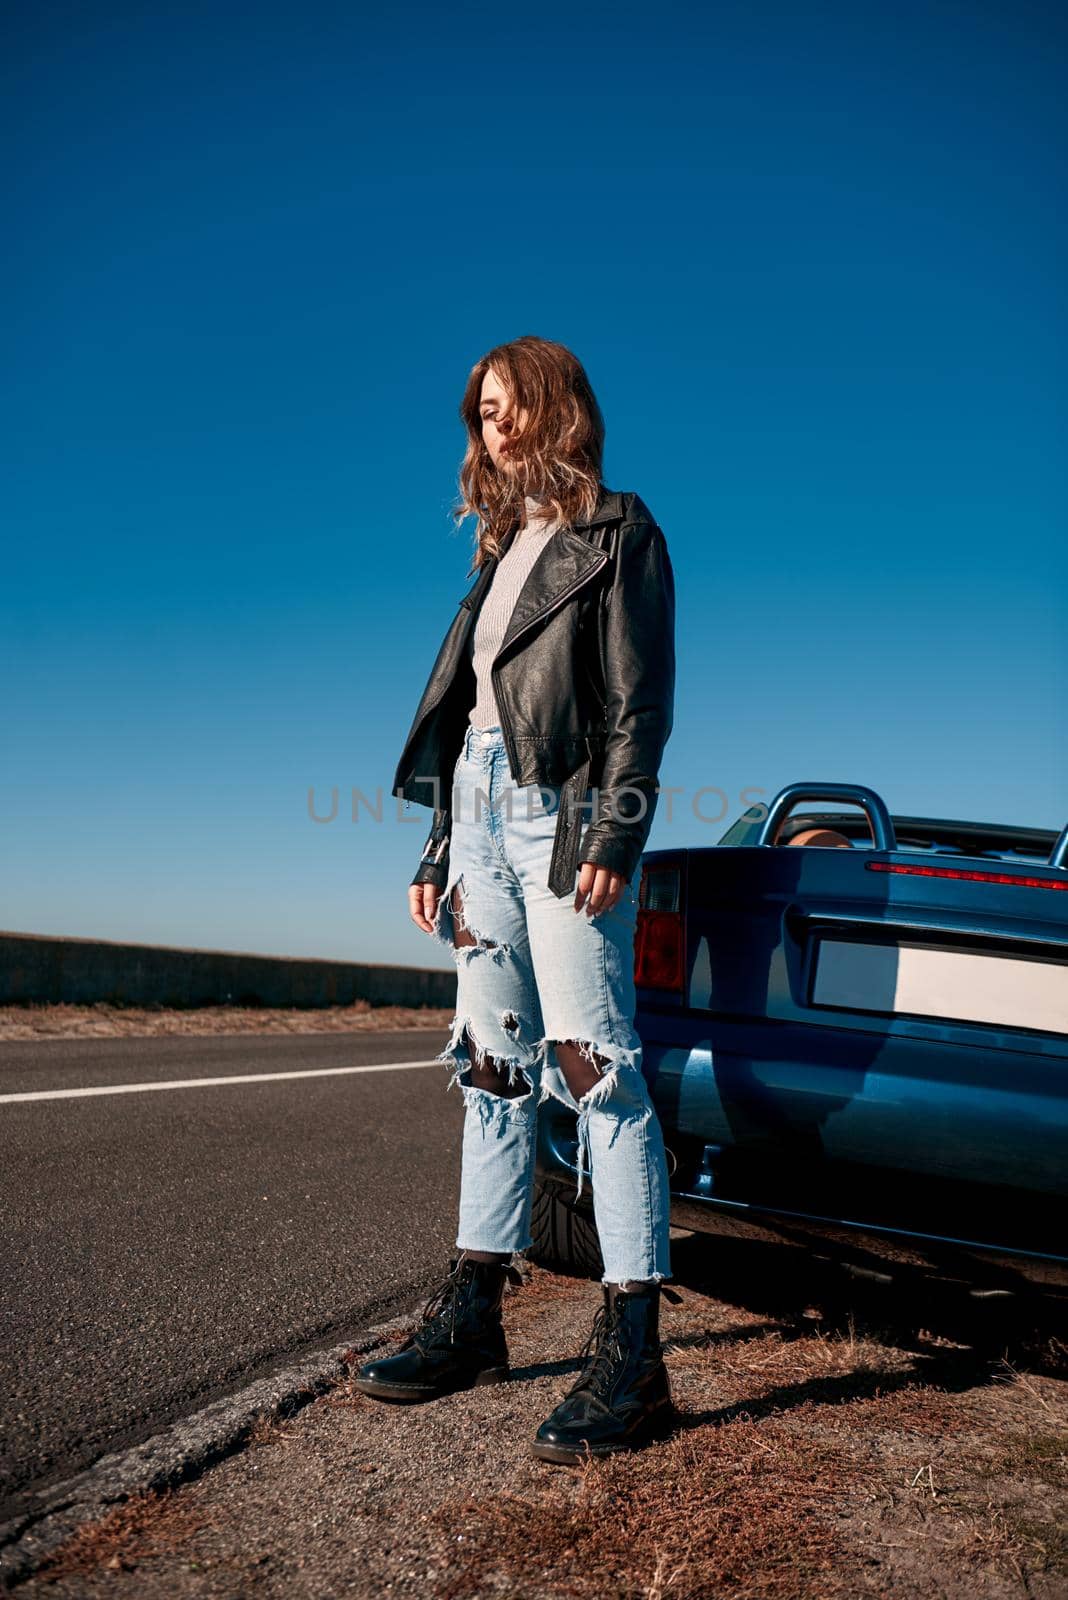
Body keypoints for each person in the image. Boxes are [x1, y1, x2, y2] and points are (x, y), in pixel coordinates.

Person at [356, 335, 681, 1465]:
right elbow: (471, 726)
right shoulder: (498, 555)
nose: (490, 427)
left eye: (506, 405)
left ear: (554, 405)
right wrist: (441, 843)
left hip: (564, 814)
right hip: (483, 817)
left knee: (597, 1064)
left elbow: (640, 701)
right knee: (490, 1066)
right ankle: (476, 1314)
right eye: (479, 412)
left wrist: (616, 825)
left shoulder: (618, 530)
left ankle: (636, 1356)